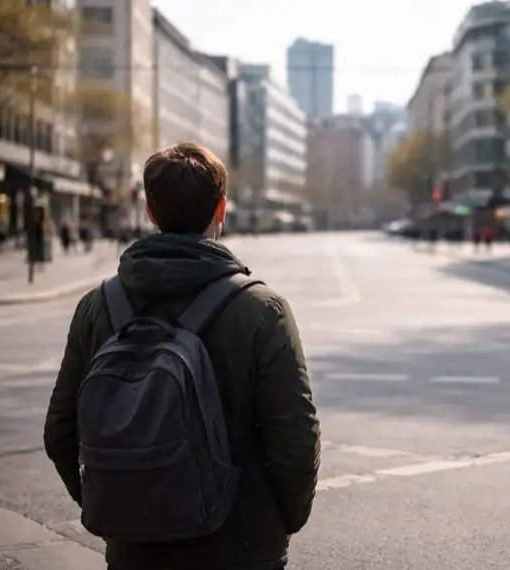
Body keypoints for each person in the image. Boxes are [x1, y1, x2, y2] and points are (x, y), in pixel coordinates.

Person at [43, 142, 321, 570]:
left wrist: (115, 506)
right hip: (241, 548)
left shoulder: (99, 306)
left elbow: (60, 430)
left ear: (151, 213)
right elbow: (296, 440)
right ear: (221, 210)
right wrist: (278, 522)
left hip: (135, 550)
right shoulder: (262, 310)